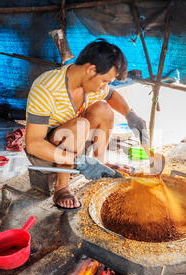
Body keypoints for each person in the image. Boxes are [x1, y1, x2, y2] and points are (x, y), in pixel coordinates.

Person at [24, 39, 148, 210]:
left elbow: (111, 95)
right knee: (80, 125)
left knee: (103, 109)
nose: (105, 86)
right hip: (45, 152)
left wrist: (130, 114)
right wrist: (80, 162)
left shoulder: (91, 84)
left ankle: (100, 166)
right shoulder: (46, 88)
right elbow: (33, 144)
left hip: (76, 145)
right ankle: (62, 188)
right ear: (90, 69)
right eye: (105, 80)